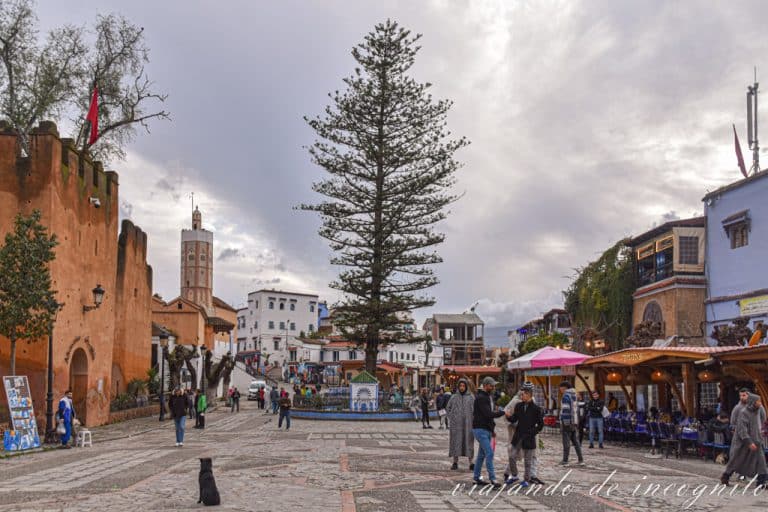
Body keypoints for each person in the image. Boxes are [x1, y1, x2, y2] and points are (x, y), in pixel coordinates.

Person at [721, 393, 768, 487]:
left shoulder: (759, 410)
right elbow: (742, 429)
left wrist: (759, 433)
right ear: (753, 402)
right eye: (758, 401)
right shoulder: (744, 412)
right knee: (737, 460)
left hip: (757, 441)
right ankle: (726, 475)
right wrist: (748, 441)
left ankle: (762, 481)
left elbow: (762, 420)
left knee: (761, 461)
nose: (760, 403)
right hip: (743, 443)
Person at [506, 382, 545, 487]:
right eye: (521, 394)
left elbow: (541, 425)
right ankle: (514, 476)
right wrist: (508, 417)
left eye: (523, 394)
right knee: (512, 456)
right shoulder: (518, 406)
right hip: (518, 436)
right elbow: (514, 418)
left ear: (529, 394)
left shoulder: (536, 409)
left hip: (529, 437)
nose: (521, 396)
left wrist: (533, 432)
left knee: (528, 461)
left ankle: (526, 480)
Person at [472, 376, 505, 487]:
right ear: (486, 385)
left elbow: (488, 417)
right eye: (492, 385)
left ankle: (476, 478)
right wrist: (502, 412)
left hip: (485, 429)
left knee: (481, 455)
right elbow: (488, 414)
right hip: (480, 430)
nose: (493, 387)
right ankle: (493, 479)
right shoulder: (482, 398)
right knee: (489, 453)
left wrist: (492, 430)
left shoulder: (486, 396)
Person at [446, 378, 475, 471]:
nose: (462, 388)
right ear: (458, 387)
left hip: (468, 425)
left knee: (469, 442)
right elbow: (448, 408)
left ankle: (471, 463)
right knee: (456, 442)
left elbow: (475, 410)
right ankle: (455, 462)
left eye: (463, 386)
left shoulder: (471, 397)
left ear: (466, 387)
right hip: (456, 425)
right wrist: (452, 418)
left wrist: (473, 419)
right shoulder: (454, 397)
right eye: (460, 386)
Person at [558, 381, 585, 466]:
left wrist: (565, 422)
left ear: (564, 388)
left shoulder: (566, 396)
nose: (560, 390)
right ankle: (581, 460)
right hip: (574, 421)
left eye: (561, 388)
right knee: (576, 442)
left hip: (567, 421)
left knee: (566, 442)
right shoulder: (575, 395)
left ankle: (565, 461)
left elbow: (566, 409)